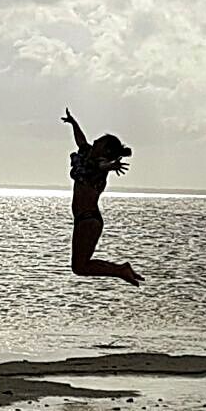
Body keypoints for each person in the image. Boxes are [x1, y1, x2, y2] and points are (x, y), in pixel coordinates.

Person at [61, 107, 143, 286]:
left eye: (100, 142)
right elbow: (80, 140)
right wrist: (73, 123)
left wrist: (112, 166)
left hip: (89, 221)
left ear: (105, 151)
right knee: (80, 266)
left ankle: (121, 270)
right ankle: (121, 269)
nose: (96, 140)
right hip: (83, 220)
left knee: (80, 267)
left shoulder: (99, 164)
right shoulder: (86, 155)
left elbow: (102, 167)